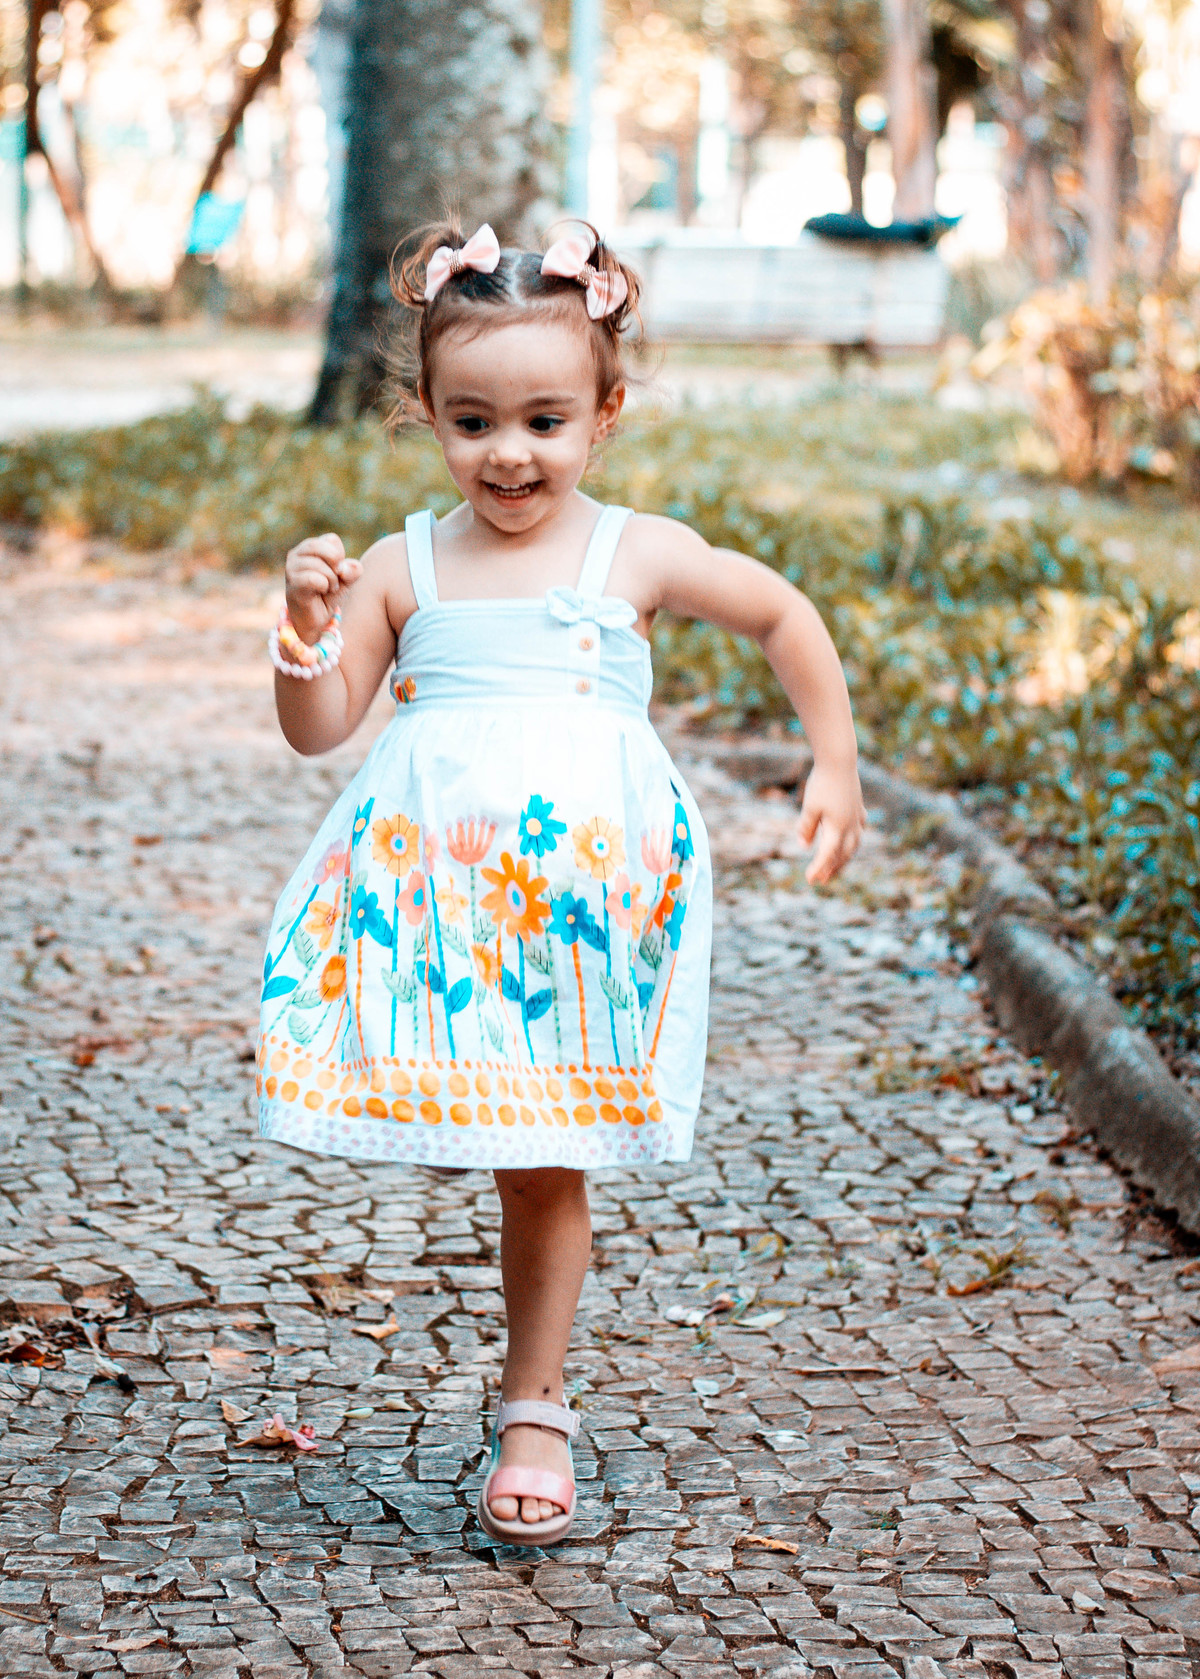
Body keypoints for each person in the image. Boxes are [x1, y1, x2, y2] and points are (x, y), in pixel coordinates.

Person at [257, 219, 865, 1547]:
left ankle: (534, 1408)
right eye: (473, 422)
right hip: (440, 921)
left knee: (541, 1166)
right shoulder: (403, 567)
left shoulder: (632, 553)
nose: (510, 453)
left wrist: (835, 761)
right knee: (483, 1146)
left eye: (545, 420)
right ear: (426, 414)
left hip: (575, 924)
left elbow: (782, 613)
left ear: (605, 413)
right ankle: (518, 1389)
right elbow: (320, 729)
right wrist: (306, 632)